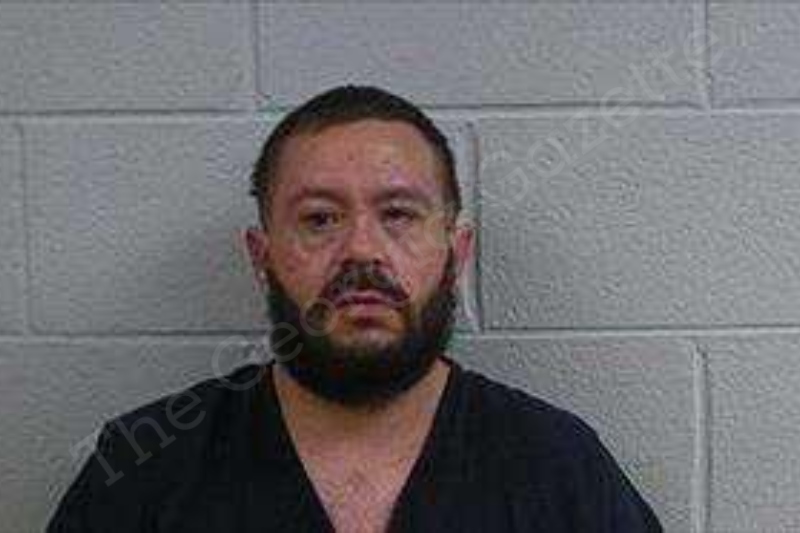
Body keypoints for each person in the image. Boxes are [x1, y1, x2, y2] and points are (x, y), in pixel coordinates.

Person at [48, 85, 662, 532]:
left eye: (398, 215)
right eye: (319, 219)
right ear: (262, 256)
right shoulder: (142, 468)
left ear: (456, 253)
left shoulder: (560, 469)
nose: (362, 250)